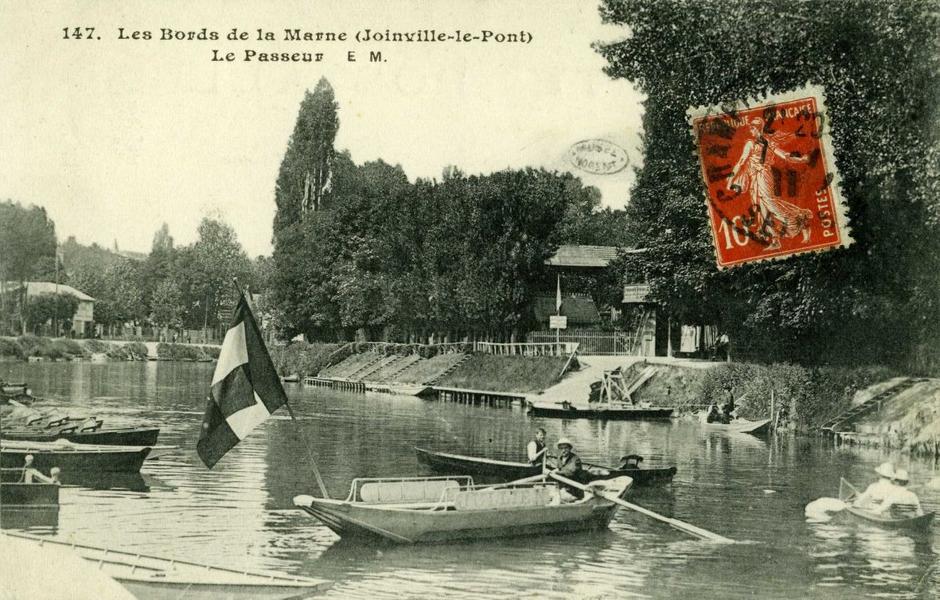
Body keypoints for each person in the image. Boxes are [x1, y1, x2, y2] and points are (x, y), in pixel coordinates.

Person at [727, 117, 813, 251]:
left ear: (758, 128)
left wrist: (801, 159)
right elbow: (741, 161)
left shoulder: (768, 142)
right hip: (754, 178)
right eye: (751, 128)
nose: (751, 130)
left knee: (770, 204)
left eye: (753, 128)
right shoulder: (750, 143)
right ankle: (774, 240)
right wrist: (732, 178)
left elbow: (784, 155)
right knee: (761, 209)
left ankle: (798, 217)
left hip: (764, 176)